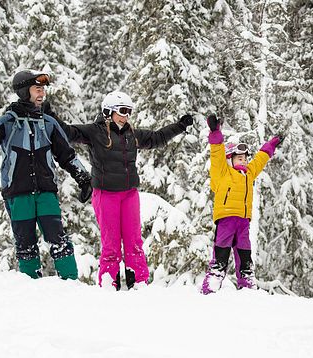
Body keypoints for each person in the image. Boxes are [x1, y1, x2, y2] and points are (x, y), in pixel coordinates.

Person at [45, 91, 193, 290]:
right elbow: (68, 132)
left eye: (129, 111)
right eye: (122, 111)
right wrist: (51, 116)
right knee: (111, 245)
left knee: (134, 243)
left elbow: (157, 138)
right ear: (108, 112)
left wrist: (180, 126)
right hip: (106, 194)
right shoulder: (95, 132)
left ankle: (138, 284)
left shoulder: (131, 134)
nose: (126, 116)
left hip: (129, 194)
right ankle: (108, 285)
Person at [0, 70, 92, 280]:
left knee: (58, 238)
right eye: (38, 89)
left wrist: (83, 178)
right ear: (25, 92)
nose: (42, 93)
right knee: (26, 244)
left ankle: (71, 284)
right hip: (18, 193)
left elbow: (66, 155)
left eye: (43, 89)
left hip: (45, 192)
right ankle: (30, 288)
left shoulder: (49, 123)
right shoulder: (7, 122)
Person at [200, 114, 282, 294]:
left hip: (243, 221)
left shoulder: (249, 173)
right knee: (221, 251)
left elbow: (260, 160)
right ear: (229, 159)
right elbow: (216, 153)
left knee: (244, 252)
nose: (244, 161)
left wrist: (271, 145)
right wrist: (215, 133)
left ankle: (247, 282)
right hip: (226, 219)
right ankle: (213, 280)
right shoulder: (222, 173)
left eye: (245, 158)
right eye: (239, 158)